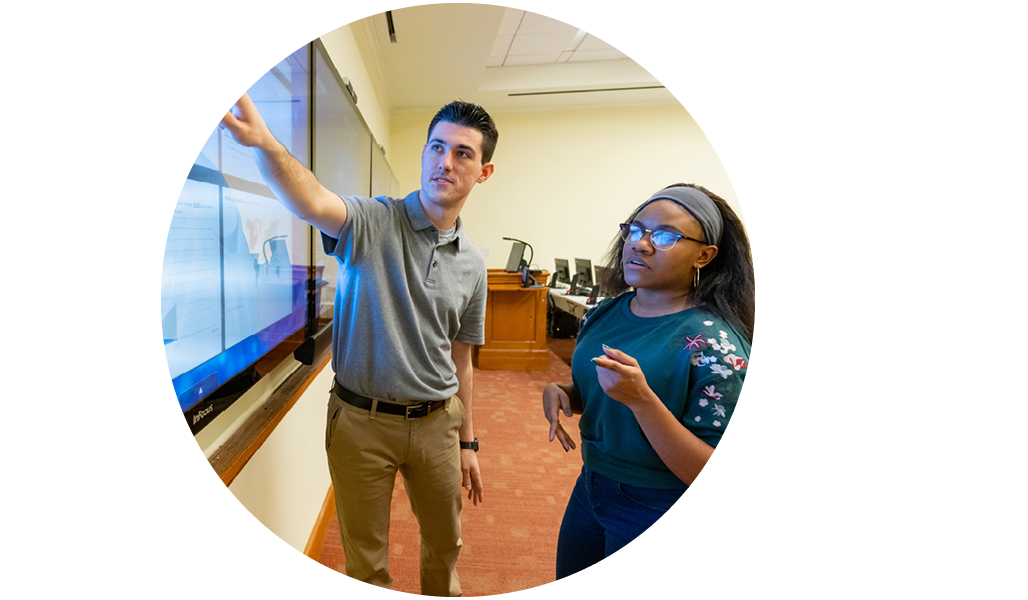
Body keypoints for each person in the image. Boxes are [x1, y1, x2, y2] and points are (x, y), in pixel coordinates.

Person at [219, 93, 496, 596]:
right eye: (437, 147)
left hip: (439, 424)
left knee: (444, 545)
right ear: (423, 155)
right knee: (365, 564)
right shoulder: (371, 221)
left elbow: (463, 358)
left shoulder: (474, 263)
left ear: (484, 171)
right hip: (360, 425)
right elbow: (311, 199)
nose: (445, 162)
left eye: (463, 153)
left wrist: (467, 442)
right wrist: (264, 144)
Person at [542, 183, 754, 579]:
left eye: (665, 236)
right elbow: (606, 392)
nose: (641, 244)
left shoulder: (716, 344)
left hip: (658, 504)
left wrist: (643, 400)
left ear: (704, 256)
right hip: (591, 486)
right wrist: (566, 393)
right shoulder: (605, 312)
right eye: (635, 230)